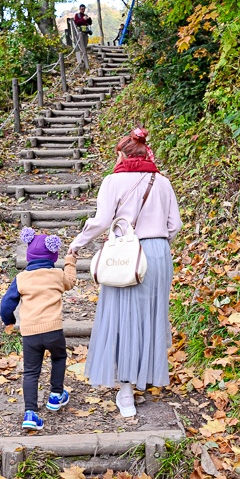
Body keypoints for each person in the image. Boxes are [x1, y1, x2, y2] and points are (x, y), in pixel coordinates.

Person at [67, 128, 182, 417]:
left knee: (124, 320)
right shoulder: (163, 182)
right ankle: (142, 379)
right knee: (150, 318)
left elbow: (102, 221)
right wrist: (156, 242)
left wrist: (76, 244)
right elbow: (175, 226)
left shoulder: (112, 181)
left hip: (127, 255)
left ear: (122, 154)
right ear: (145, 153)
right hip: (158, 254)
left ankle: (127, 393)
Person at [0, 228, 77, 431]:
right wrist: (70, 262)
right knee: (59, 357)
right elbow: (71, 281)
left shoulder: (22, 278)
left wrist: (8, 320)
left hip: (30, 333)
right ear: (53, 255)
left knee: (31, 371)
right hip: (53, 330)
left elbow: (7, 303)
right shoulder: (57, 275)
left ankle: (30, 413)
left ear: (29, 256)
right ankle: (55, 395)